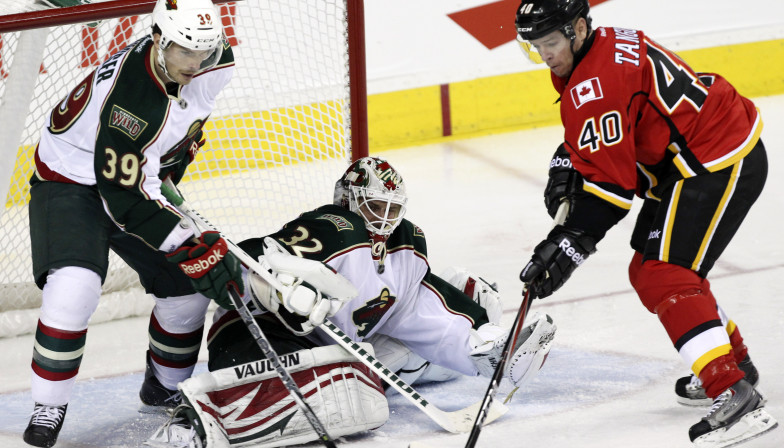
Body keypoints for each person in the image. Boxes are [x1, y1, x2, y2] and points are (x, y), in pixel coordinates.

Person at [147, 156, 557, 447]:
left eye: (392, 209)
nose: (384, 220)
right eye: (376, 206)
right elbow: (256, 252)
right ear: (348, 199)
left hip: (328, 350)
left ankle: (479, 353)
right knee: (352, 397)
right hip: (256, 334)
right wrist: (280, 284)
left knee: (362, 394)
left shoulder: (405, 248)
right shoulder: (334, 227)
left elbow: (417, 310)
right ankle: (196, 418)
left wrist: (486, 347)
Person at [514, 1, 778, 446]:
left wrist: (567, 244)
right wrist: (569, 162)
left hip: (714, 159)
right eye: (535, 47)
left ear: (578, 29)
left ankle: (733, 390)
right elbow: (610, 124)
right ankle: (734, 361)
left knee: (664, 274)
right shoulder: (604, 44)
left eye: (551, 43)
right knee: (651, 272)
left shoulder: (595, 84)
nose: (545, 55)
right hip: (693, 155)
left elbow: (611, 195)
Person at [23, 1, 236, 446]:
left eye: (206, 53)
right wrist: (182, 237)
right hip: (70, 182)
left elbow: (169, 137)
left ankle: (164, 388)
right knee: (75, 286)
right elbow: (123, 194)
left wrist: (168, 185)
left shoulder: (210, 64)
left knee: (189, 286)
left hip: (133, 175)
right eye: (185, 53)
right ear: (158, 40)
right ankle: (49, 404)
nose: (196, 65)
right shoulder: (131, 101)